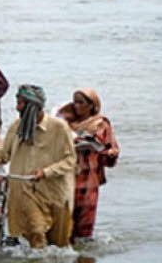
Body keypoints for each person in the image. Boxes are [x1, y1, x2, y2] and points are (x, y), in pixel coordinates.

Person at [0, 85, 75, 249]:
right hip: (26, 191)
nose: (17, 108)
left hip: (54, 192)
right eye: (17, 102)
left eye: (21, 104)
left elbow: (70, 159)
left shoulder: (59, 128)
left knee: (59, 243)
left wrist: (46, 172)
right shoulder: (16, 127)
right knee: (35, 232)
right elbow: (3, 153)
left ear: (33, 106)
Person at [59, 88, 120, 243]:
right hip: (64, 176)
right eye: (75, 102)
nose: (77, 106)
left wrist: (104, 152)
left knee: (84, 227)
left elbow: (109, 149)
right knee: (62, 225)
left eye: (81, 102)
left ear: (92, 105)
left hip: (87, 180)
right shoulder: (66, 123)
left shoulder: (100, 123)